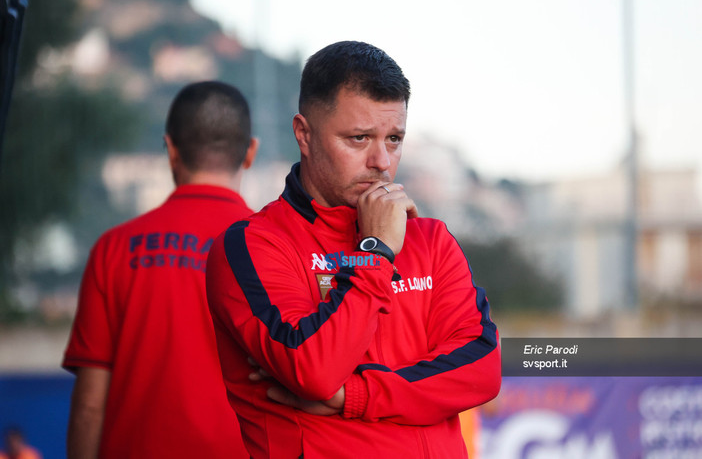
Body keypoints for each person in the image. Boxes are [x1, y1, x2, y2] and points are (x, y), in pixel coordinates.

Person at [206, 41, 501, 458]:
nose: (381, 160)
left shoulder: (430, 239)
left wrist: (355, 396)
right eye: (359, 138)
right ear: (304, 134)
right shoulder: (253, 245)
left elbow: (481, 371)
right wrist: (376, 251)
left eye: (394, 139)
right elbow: (314, 371)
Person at [62, 81, 258, 458]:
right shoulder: (276, 250)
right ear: (249, 152)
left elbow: (89, 405)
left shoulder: (114, 249)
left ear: (170, 151)